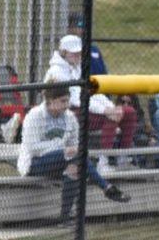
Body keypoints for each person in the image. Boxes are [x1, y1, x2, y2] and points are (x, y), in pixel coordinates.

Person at [18, 83, 129, 214]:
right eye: (62, 101)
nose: (67, 105)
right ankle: (106, 187)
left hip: (64, 161)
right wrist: (63, 149)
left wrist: (70, 150)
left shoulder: (70, 117)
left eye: (67, 101)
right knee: (74, 157)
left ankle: (65, 217)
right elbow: (32, 148)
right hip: (35, 163)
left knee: (74, 168)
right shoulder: (35, 115)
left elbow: (76, 144)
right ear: (50, 100)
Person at [43, 34, 135, 174]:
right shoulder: (57, 72)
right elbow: (75, 99)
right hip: (68, 112)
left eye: (79, 53)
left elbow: (92, 92)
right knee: (108, 117)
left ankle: (123, 158)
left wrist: (110, 107)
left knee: (129, 112)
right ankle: (102, 163)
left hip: (85, 108)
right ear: (63, 52)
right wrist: (105, 111)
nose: (77, 55)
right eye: (73, 53)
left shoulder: (78, 68)